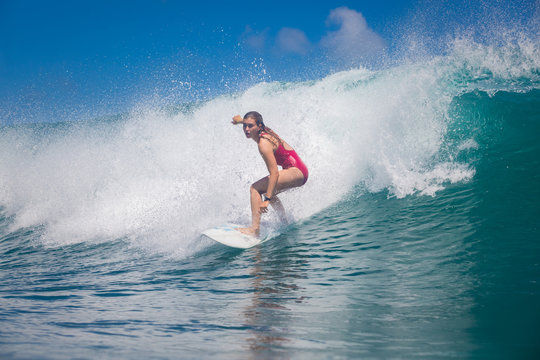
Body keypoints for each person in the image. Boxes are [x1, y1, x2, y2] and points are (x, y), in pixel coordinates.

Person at [231, 111, 308, 237]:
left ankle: (255, 230)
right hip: (299, 169)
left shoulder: (264, 144)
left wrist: (266, 200)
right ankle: (284, 222)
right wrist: (240, 121)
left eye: (250, 126)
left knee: (255, 188)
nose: (246, 129)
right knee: (270, 190)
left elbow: (274, 173)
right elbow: (252, 124)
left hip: (296, 171)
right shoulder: (264, 130)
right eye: (245, 126)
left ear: (259, 126)